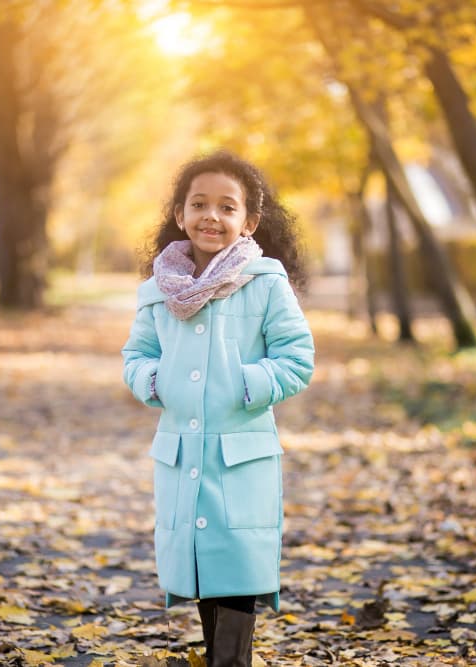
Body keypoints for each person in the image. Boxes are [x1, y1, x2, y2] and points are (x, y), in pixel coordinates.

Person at [122, 150, 314, 666]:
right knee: (203, 571)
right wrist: (156, 380)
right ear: (180, 215)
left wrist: (244, 384)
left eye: (227, 207)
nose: (212, 216)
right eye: (199, 204)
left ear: (248, 222)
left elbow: (297, 358)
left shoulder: (266, 282)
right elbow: (136, 356)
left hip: (240, 454)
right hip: (183, 454)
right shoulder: (158, 292)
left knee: (237, 573)